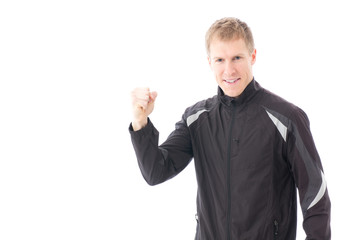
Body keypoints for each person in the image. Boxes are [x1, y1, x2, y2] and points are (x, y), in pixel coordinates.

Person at [129, 17, 331, 240]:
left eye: (237, 58)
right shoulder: (197, 119)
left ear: (252, 56)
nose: (229, 70)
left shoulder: (287, 118)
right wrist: (140, 122)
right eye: (220, 60)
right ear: (209, 62)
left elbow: (315, 196)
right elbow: (156, 171)